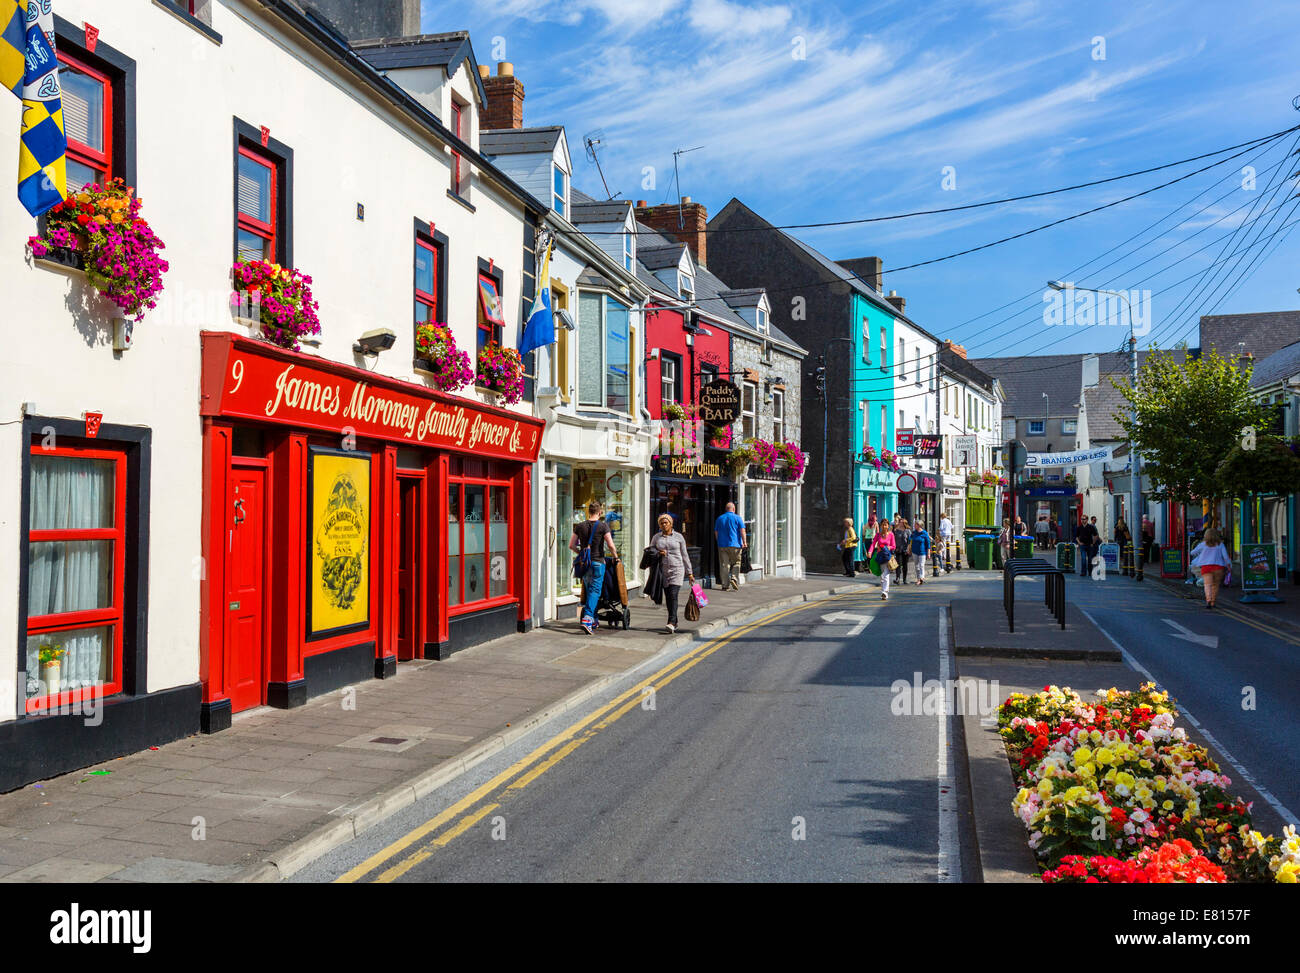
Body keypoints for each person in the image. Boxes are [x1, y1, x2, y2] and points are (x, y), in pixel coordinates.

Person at [570, 500, 618, 635]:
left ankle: (594, 620)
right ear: (600, 512)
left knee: (590, 590)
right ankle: (587, 619)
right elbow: (610, 545)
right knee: (595, 591)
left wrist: (582, 554)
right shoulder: (603, 526)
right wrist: (616, 556)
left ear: (588, 511)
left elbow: (571, 545)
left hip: (585, 564)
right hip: (598, 562)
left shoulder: (580, 526)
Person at [651, 512, 694, 633]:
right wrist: (659, 553)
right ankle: (675, 622)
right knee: (668, 597)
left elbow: (685, 555)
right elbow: (650, 552)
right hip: (663, 571)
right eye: (661, 523)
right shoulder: (656, 537)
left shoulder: (679, 537)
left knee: (673, 595)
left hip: (677, 569)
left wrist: (689, 573)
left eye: (666, 523)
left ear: (671, 524)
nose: (664, 525)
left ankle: (671, 622)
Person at [1191, 527, 1231, 609]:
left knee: (1207, 585)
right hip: (1218, 567)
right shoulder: (1220, 544)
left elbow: (1192, 552)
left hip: (1206, 567)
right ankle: (1213, 602)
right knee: (1215, 585)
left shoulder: (1203, 544)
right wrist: (1228, 565)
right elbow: (1225, 557)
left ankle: (1208, 600)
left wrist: (1201, 554)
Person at [713, 501, 747, 591]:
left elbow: (716, 531)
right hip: (736, 544)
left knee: (724, 565)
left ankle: (725, 585)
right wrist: (744, 542)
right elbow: (742, 531)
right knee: (736, 562)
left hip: (722, 545)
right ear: (734, 509)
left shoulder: (720, 518)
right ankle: (734, 578)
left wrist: (718, 541)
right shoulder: (737, 518)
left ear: (726, 509)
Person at [868, 517, 896, 600]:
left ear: (888, 526)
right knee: (882, 575)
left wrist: (886, 547)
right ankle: (884, 590)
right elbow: (873, 544)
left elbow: (894, 546)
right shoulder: (878, 535)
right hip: (880, 556)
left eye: (886, 525)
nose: (884, 527)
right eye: (883, 525)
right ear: (880, 526)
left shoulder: (891, 534)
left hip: (887, 556)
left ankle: (884, 592)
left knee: (885, 575)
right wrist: (869, 552)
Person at [893, 517, 913, 585]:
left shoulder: (908, 531)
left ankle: (904, 579)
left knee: (905, 565)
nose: (900, 523)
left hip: (905, 550)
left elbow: (910, 541)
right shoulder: (896, 530)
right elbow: (893, 539)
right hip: (898, 550)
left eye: (901, 522)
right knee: (898, 565)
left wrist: (908, 549)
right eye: (900, 522)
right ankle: (897, 578)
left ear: (904, 523)